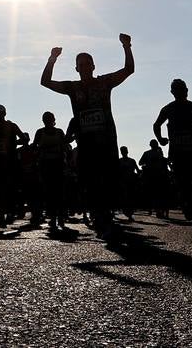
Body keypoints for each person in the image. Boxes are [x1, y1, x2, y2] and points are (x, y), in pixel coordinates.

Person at [40, 33, 135, 238]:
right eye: (80, 64)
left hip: (107, 139)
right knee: (90, 179)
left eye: (87, 63)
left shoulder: (104, 83)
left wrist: (127, 46)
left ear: (93, 66)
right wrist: (52, 59)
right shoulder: (72, 87)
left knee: (108, 177)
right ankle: (97, 213)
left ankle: (108, 212)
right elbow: (45, 81)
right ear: (76, 68)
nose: (83, 66)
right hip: (86, 143)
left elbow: (129, 70)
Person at [153, 79, 192, 237]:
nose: (182, 92)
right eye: (179, 89)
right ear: (173, 92)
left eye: (183, 89)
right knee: (186, 188)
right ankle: (189, 209)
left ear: (187, 90)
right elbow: (156, 125)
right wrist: (160, 139)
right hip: (180, 156)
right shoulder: (171, 109)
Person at [0, 105, 28, 226]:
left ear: (4, 114)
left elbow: (24, 139)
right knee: (0, 189)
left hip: (11, 161)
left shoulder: (12, 126)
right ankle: (2, 214)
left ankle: (11, 211)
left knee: (11, 188)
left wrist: (12, 143)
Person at [31, 111, 70, 233]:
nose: (47, 121)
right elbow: (34, 147)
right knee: (50, 193)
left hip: (58, 165)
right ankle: (54, 218)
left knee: (59, 192)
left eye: (49, 118)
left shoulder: (59, 132)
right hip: (46, 166)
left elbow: (65, 146)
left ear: (53, 119)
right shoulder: (40, 132)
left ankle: (60, 217)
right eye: (45, 119)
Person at [139, 140, 173, 218]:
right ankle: (156, 209)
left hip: (157, 176)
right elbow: (140, 162)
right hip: (155, 176)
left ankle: (157, 209)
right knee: (157, 194)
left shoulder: (152, 153)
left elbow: (141, 162)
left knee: (155, 193)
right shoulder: (152, 153)